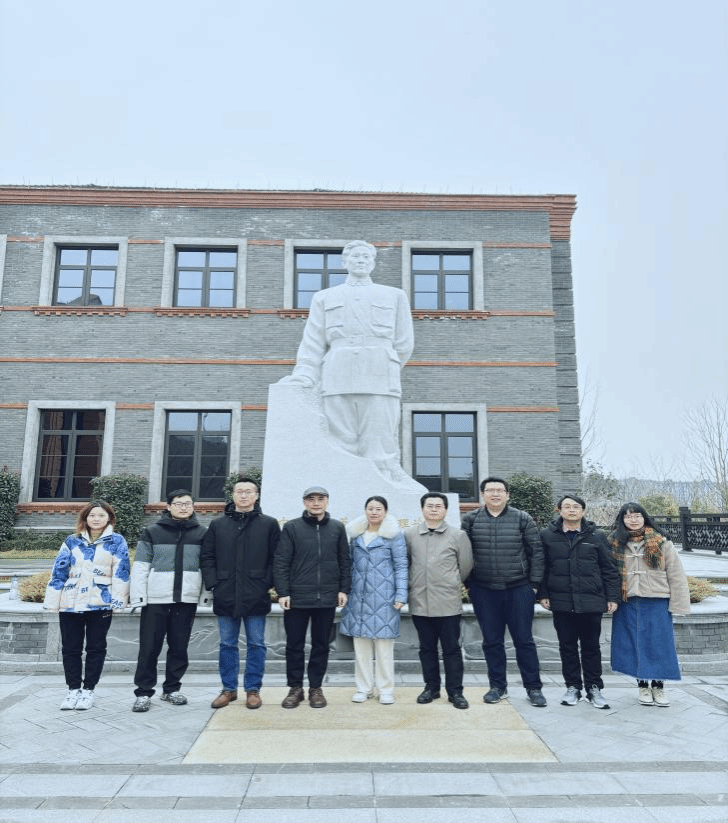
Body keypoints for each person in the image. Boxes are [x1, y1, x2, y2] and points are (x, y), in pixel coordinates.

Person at [280, 240, 414, 481]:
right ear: (344, 262)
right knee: (340, 439)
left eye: (366, 257)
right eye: (355, 256)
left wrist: (386, 364)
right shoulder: (324, 297)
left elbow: (404, 343)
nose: (361, 261)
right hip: (337, 374)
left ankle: (383, 482)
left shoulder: (394, 295)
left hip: (380, 374)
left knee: (380, 438)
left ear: (373, 263)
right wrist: (305, 374)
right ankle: (341, 484)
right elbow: (313, 342)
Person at [461, 476, 547, 707]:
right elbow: (463, 554)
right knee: (492, 641)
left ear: (508, 495)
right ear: (483, 495)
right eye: (490, 490)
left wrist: (534, 585)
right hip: (484, 589)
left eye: (500, 490)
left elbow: (536, 552)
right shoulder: (470, 519)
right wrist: (469, 584)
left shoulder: (522, 518)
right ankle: (497, 687)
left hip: (518, 588)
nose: (495, 494)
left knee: (524, 640)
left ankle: (534, 688)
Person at [201, 477, 280, 709]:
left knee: (256, 643)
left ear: (256, 495)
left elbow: (277, 557)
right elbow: (207, 556)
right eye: (239, 491)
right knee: (227, 643)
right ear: (233, 495)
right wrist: (214, 583)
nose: (244, 495)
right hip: (226, 592)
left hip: (256, 592)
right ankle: (228, 689)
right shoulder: (218, 525)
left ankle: (253, 689)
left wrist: (266, 583)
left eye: (248, 491)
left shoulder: (269, 524)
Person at [43, 500, 130, 710]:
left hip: (100, 603)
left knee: (96, 648)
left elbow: (122, 572)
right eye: (92, 515)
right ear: (85, 518)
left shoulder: (117, 541)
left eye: (101, 515)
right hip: (70, 604)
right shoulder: (72, 541)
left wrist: (118, 601)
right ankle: (73, 690)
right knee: (70, 648)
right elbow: (59, 570)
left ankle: (88, 690)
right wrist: (53, 601)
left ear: (109, 518)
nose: (96, 519)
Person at [538, 494, 620, 709]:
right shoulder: (547, 535)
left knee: (591, 647)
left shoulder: (596, 535)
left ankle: (594, 688)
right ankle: (572, 686)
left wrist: (612, 596)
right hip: (561, 600)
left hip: (591, 600)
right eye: (567, 506)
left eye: (576, 506)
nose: (572, 510)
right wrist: (543, 593)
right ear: (559, 510)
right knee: (567, 647)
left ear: (583, 511)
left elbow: (609, 569)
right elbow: (542, 567)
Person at [130, 489, 207, 712]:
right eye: (179, 503)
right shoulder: (152, 532)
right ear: (169, 506)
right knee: (149, 648)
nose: (184, 507)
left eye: (188, 503)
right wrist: (139, 596)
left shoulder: (202, 533)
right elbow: (141, 566)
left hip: (186, 599)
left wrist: (205, 595)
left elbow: (206, 565)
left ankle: (172, 689)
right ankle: (143, 692)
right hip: (156, 599)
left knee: (179, 647)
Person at [273, 486, 351, 708]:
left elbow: (344, 561)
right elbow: (281, 561)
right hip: (297, 598)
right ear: (304, 502)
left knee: (321, 645)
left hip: (326, 598)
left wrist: (343, 589)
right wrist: (283, 592)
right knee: (294, 645)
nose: (316, 503)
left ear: (327, 501)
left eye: (320, 499)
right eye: (311, 499)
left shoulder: (337, 528)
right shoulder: (292, 527)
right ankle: (295, 688)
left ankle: (316, 688)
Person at [608, 502, 690, 707]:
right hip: (626, 601)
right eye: (628, 516)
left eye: (637, 515)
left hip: (657, 600)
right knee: (632, 643)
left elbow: (676, 575)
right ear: (622, 520)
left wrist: (679, 604)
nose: (633, 520)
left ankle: (659, 686)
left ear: (644, 518)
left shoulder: (662, 542)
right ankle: (643, 685)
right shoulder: (614, 542)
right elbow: (607, 573)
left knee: (659, 644)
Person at [405, 492, 473, 709]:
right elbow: (406, 563)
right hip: (420, 602)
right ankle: (431, 688)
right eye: (429, 506)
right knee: (427, 648)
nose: (434, 509)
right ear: (422, 509)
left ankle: (455, 692)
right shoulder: (410, 535)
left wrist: (451, 582)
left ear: (445, 510)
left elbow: (465, 566)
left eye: (438, 506)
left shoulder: (458, 535)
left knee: (451, 649)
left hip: (448, 602)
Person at [339, 495, 407, 704]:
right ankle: (363, 688)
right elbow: (347, 565)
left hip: (385, 598)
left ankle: (386, 689)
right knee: (361, 647)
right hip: (358, 597)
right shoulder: (356, 535)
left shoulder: (394, 535)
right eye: (370, 508)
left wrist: (401, 594)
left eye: (378, 509)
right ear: (365, 511)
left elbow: (401, 566)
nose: (374, 512)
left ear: (385, 512)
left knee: (384, 648)